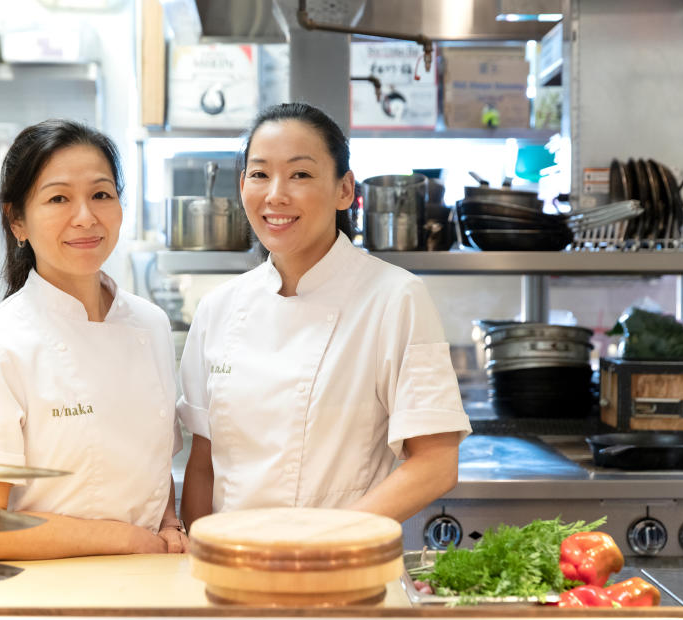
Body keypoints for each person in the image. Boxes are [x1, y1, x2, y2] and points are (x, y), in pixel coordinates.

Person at [178, 103, 471, 526]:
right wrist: (200, 559)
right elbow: (204, 462)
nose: (276, 193)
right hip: (232, 569)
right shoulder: (218, 309)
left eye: (300, 174)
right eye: (260, 174)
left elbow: (435, 464)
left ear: (344, 190)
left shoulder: (393, 297)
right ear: (242, 185)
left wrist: (325, 545)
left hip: (341, 570)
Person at [0, 119, 187, 560]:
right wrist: (126, 539)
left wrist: (169, 522)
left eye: (101, 195)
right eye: (58, 198)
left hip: (149, 583)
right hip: (45, 599)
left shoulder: (151, 324)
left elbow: (152, 462)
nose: (86, 216)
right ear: (18, 222)